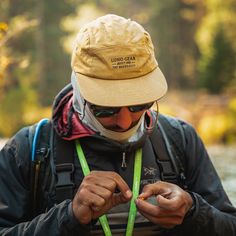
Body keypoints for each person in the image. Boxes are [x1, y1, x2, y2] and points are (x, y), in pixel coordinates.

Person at [0, 14, 235, 236]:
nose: (124, 122)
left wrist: (193, 211)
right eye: (106, 108)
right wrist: (69, 216)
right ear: (79, 93)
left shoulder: (181, 139)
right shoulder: (28, 148)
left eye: (138, 104)